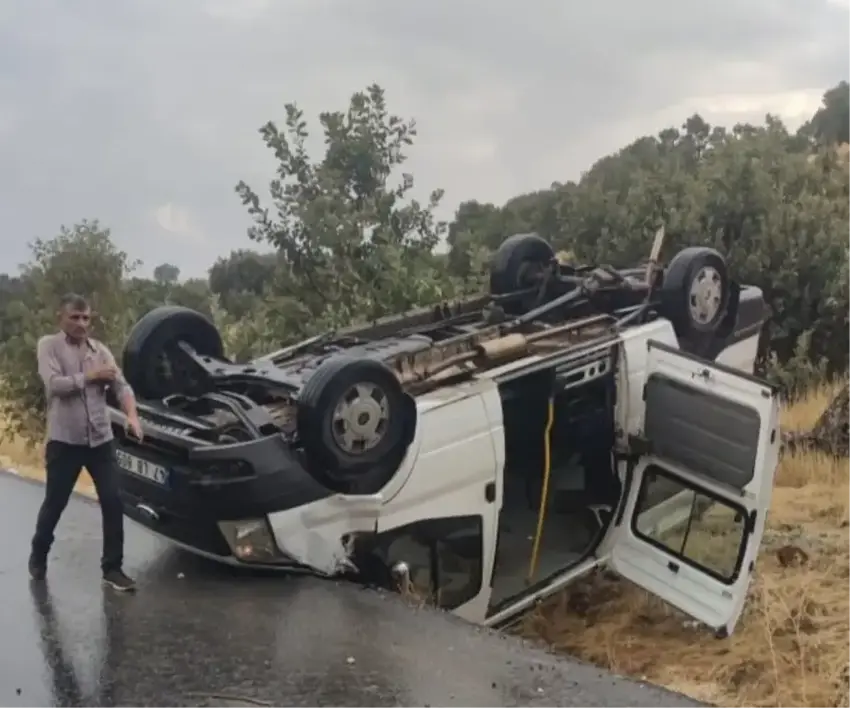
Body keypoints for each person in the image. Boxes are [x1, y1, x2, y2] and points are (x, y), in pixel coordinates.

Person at [29, 293, 144, 591]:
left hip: (100, 441)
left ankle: (112, 568)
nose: (81, 323)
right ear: (61, 317)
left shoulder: (100, 351)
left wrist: (132, 416)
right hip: (64, 442)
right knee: (55, 503)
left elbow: (121, 386)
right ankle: (39, 554)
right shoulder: (49, 346)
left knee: (113, 500)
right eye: (75, 317)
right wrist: (91, 376)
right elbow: (55, 385)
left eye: (85, 318)